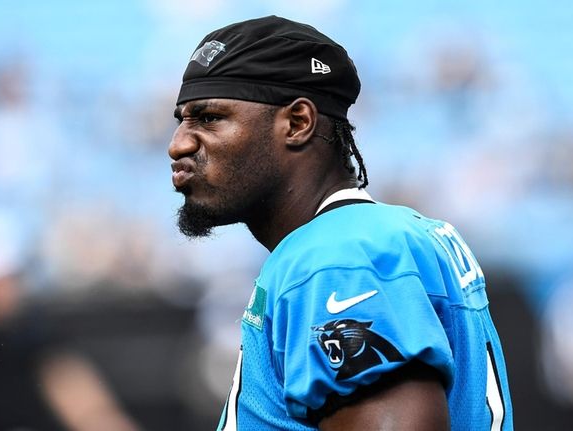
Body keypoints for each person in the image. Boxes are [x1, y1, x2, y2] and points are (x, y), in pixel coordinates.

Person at [168, 15, 513, 430]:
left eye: (208, 119)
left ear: (297, 123)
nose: (179, 144)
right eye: (182, 120)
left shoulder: (336, 257)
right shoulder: (374, 237)